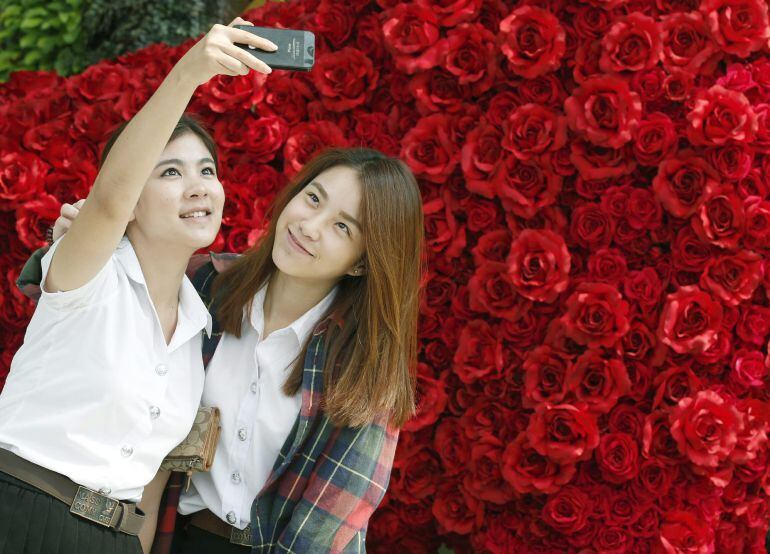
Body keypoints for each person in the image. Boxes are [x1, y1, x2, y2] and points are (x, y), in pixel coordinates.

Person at [42, 146, 425, 554]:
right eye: (313, 198)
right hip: (176, 535)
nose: (310, 226)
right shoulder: (206, 285)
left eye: (342, 227)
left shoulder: (363, 361)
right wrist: (74, 241)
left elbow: (335, 510)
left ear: (361, 264)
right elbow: (82, 305)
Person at [0, 18, 277, 554]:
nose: (198, 186)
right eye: (169, 172)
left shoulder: (198, 329)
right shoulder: (88, 272)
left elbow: (149, 477)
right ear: (130, 198)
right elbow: (106, 204)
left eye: (206, 170)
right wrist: (190, 73)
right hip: (21, 511)